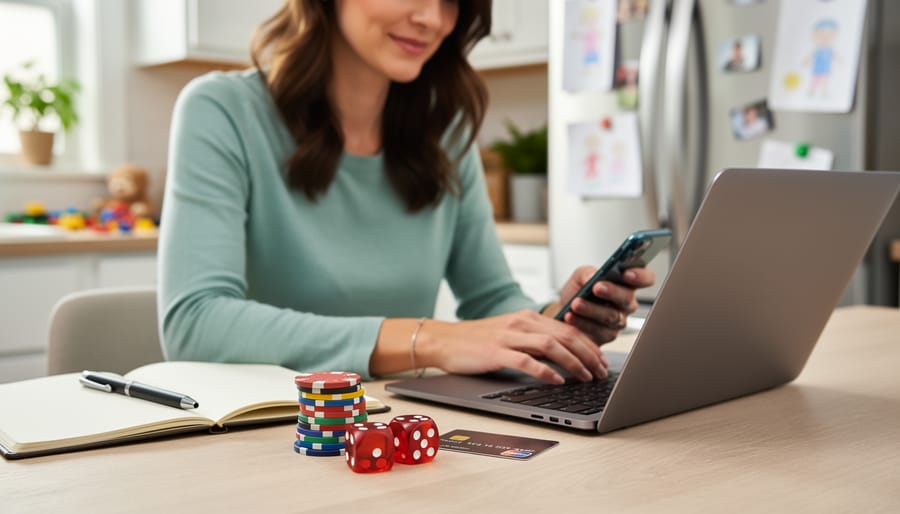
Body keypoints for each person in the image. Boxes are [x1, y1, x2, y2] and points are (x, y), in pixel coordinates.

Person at [158, 0, 655, 386]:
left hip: (396, 425)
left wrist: (557, 327)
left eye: (450, 0)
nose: (432, 18)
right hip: (272, 434)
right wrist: (430, 340)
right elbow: (196, 321)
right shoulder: (221, 111)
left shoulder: (447, 131)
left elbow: (491, 298)